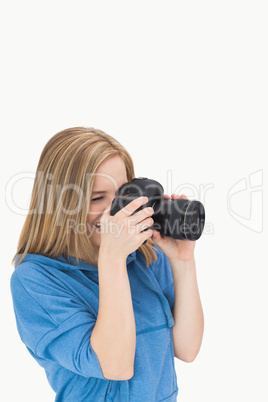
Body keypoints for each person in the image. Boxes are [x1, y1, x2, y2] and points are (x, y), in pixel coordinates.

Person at [10, 127, 204, 401]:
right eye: (97, 198)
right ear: (59, 205)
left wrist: (183, 262)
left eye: (123, 194)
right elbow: (115, 365)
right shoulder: (35, 281)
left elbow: (187, 348)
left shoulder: (146, 257)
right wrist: (112, 259)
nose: (117, 211)